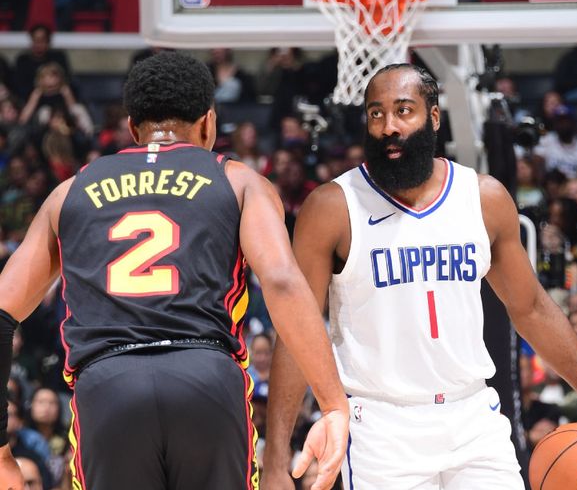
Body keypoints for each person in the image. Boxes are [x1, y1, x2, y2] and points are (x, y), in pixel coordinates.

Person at [264, 63, 577, 489]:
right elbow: (295, 331)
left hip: (473, 415)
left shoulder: (483, 198)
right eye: (376, 114)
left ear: (434, 117)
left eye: (404, 111)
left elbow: (532, 309)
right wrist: (275, 460)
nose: (388, 127)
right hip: (382, 427)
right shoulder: (332, 208)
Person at [0, 52, 349, 490]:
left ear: (132, 128)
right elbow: (280, 282)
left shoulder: (69, 192)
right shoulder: (239, 181)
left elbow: (2, 312)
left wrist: (0, 449)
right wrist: (333, 404)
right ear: (208, 122)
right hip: (205, 378)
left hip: (108, 386)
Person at [13, 25, 72, 101]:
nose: (38, 44)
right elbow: (19, 86)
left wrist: (53, 87)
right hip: (30, 99)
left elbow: (67, 79)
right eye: (36, 40)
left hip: (58, 98)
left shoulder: (58, 57)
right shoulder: (23, 60)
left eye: (42, 40)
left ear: (48, 41)